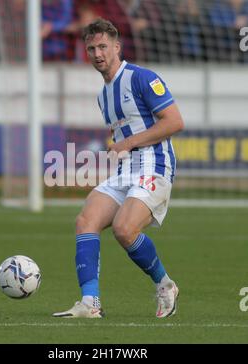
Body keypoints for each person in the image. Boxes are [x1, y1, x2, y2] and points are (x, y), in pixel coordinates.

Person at [53, 18, 184, 319]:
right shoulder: (103, 95)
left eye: (102, 47)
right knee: (85, 220)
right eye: (91, 49)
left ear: (116, 47)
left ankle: (165, 285)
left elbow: (175, 122)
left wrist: (129, 143)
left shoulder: (141, 77)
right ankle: (90, 304)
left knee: (125, 229)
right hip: (126, 170)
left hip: (155, 165)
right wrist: (121, 148)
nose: (97, 54)